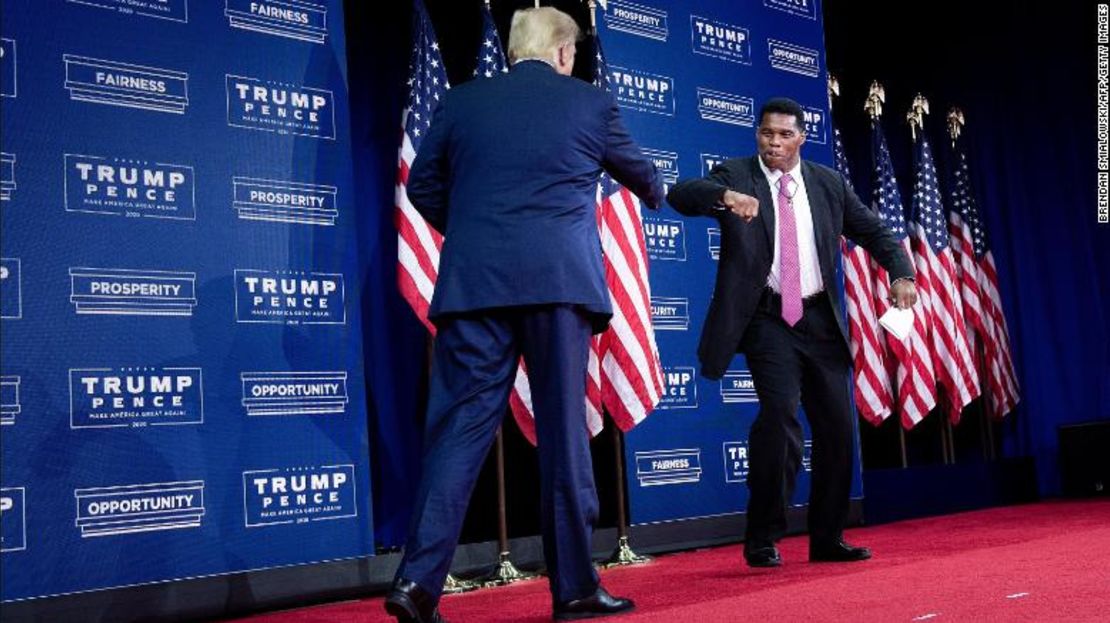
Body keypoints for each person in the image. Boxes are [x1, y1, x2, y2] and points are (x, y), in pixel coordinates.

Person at [384, 7, 664, 623]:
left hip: (474, 287)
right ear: (564, 53)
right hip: (557, 287)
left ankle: (417, 584)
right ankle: (574, 589)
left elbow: (424, 188)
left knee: (456, 435)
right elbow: (644, 180)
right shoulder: (589, 104)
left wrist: (481, 232)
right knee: (564, 435)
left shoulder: (460, 102)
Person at [666, 97, 916, 568]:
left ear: (801, 137)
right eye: (766, 134)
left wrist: (901, 273)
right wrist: (726, 197)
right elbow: (682, 194)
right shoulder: (737, 174)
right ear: (757, 135)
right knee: (779, 416)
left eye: (784, 135)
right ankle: (763, 536)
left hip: (820, 319)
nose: (774, 143)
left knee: (839, 429)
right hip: (767, 318)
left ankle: (828, 538)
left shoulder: (828, 184)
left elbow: (875, 232)